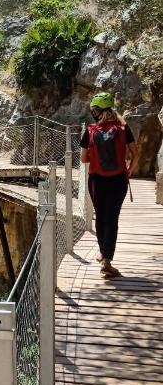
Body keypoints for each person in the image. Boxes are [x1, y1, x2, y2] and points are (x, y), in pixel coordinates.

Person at [80, 92, 139, 277]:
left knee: (101, 217)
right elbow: (135, 154)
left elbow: (83, 159)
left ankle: (103, 252)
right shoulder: (123, 128)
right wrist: (128, 170)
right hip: (119, 180)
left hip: (97, 180)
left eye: (93, 110)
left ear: (97, 111)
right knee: (112, 219)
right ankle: (106, 259)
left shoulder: (90, 130)